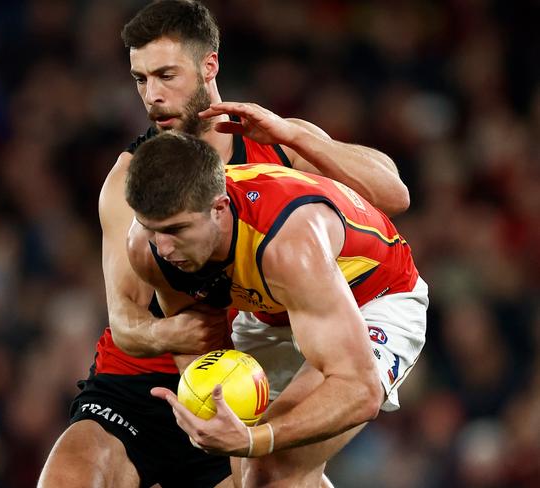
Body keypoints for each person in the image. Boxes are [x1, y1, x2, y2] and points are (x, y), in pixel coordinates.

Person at [38, 1, 411, 487]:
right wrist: (174, 336)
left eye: (166, 75)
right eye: (140, 79)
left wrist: (299, 136)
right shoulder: (134, 182)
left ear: (209, 64)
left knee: (267, 474)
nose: (152, 96)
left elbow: (394, 195)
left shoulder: (274, 147)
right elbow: (126, 320)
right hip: (144, 378)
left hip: (245, 370)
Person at [125, 131, 428, 487]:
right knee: (250, 479)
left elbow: (360, 390)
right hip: (272, 307)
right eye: (151, 229)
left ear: (219, 208)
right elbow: (201, 344)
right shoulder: (148, 251)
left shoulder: (289, 244)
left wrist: (257, 439)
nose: (163, 248)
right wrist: (210, 410)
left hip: (372, 299)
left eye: (176, 229)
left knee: (269, 469)